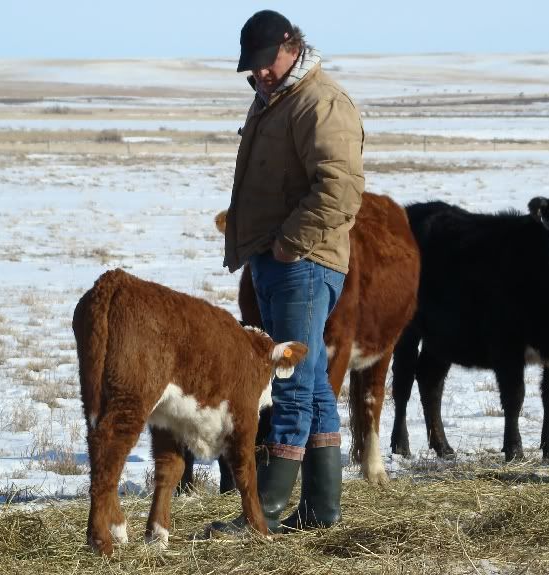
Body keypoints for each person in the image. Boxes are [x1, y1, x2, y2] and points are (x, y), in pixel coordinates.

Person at [212, 9, 365, 534]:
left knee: (293, 379)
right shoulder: (276, 99)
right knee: (315, 382)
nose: (259, 74)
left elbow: (340, 190)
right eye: (251, 68)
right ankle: (321, 511)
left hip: (303, 262)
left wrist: (287, 245)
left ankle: (265, 511)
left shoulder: (321, 103)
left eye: (265, 64)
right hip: (280, 261)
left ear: (291, 46)